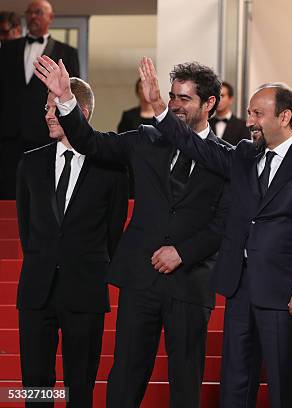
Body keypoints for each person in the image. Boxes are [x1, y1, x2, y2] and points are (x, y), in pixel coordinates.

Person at [137, 57, 292, 408]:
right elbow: (195, 146)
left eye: (258, 114)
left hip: (285, 291)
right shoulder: (244, 153)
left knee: (281, 382)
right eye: (249, 112)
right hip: (239, 286)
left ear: (285, 116)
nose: (249, 121)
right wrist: (159, 107)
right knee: (235, 382)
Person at [34, 55, 230, 408]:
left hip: (189, 282)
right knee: (125, 375)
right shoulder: (145, 139)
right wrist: (65, 99)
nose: (174, 105)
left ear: (210, 103)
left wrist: (183, 253)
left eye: (184, 99)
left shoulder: (227, 158)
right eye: (171, 97)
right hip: (140, 280)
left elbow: (224, 223)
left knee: (186, 381)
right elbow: (91, 143)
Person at [16, 78, 128, 407]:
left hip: (85, 290)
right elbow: (27, 229)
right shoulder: (30, 163)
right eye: (47, 108)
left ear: (81, 112)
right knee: (35, 388)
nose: (48, 114)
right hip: (37, 291)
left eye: (55, 108)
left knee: (80, 388)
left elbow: (113, 231)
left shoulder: (111, 169)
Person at [0, 0, 80, 199]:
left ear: (50, 18)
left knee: (40, 191)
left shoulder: (67, 53)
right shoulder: (7, 49)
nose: (33, 16)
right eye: (29, 12)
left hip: (44, 133)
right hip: (9, 134)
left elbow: (72, 93)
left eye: (38, 12)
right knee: (7, 191)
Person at [116, 78, 156, 197]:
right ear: (137, 91)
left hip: (157, 165)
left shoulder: (162, 118)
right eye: (141, 87)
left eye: (147, 87)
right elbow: (122, 141)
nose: (144, 91)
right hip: (134, 166)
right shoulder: (129, 116)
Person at [209, 81, 250, 145]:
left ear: (231, 99)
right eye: (216, 96)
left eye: (222, 96)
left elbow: (245, 152)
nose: (218, 99)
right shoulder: (206, 124)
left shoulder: (243, 126)